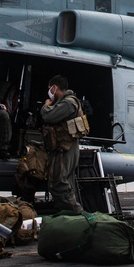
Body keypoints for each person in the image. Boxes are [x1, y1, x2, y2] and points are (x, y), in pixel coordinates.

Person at [40, 75, 88, 212]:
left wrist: (46, 106)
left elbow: (48, 116)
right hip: (64, 148)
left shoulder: (68, 103)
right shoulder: (66, 102)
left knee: (59, 183)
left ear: (54, 88)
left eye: (50, 89)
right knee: (65, 183)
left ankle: (78, 214)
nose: (49, 92)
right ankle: (69, 214)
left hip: (66, 149)